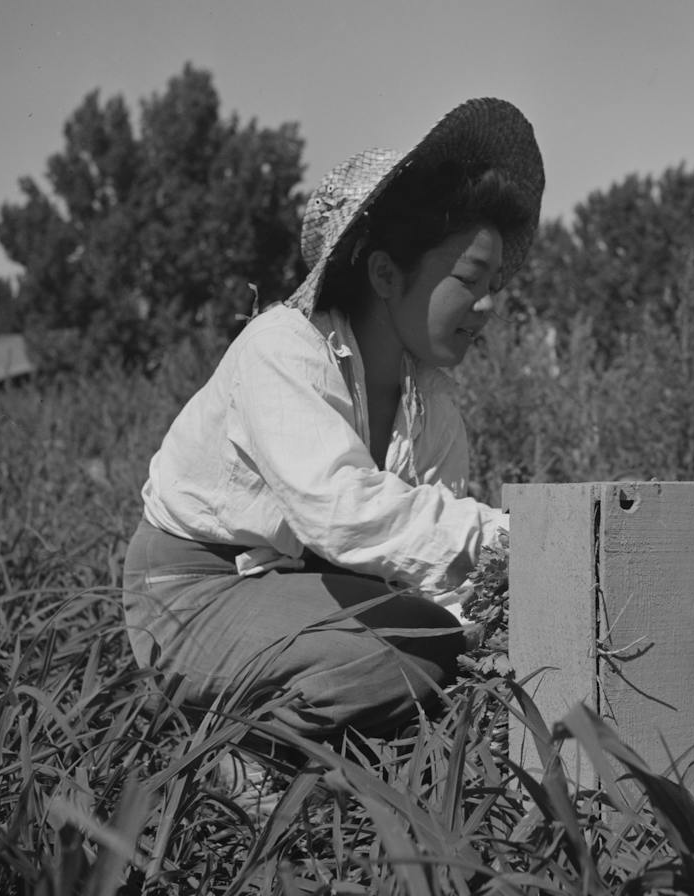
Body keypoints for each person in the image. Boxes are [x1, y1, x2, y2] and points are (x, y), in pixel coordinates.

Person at [122, 98, 545, 785]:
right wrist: (508, 539)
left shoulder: (432, 403)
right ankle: (237, 754)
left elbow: (425, 569)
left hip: (296, 590)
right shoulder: (282, 348)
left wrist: (496, 627)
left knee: (441, 645)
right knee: (408, 649)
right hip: (193, 595)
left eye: (496, 284)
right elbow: (342, 513)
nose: (490, 304)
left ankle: (307, 749)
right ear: (385, 274)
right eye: (469, 279)